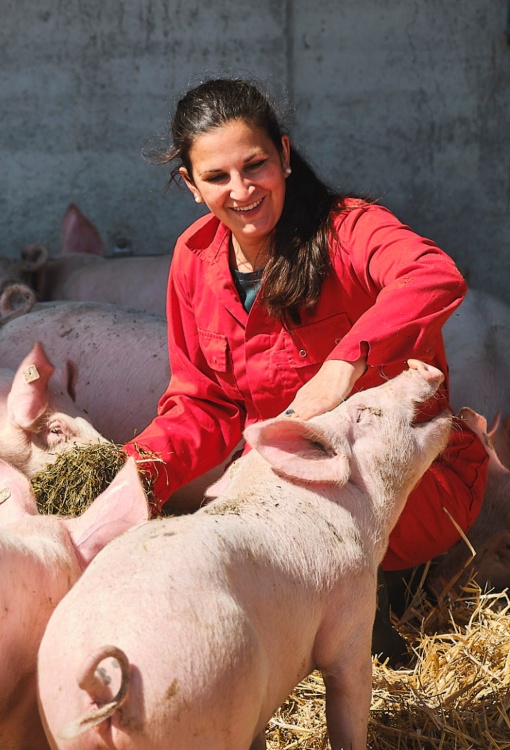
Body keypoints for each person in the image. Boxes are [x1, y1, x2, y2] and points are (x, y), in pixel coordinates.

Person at [123, 78, 489, 643]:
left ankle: (399, 593)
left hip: (398, 487)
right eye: (217, 177)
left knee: (365, 647)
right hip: (288, 484)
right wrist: (136, 473)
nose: (242, 190)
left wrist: (344, 366)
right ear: (190, 184)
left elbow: (433, 274)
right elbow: (204, 402)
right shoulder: (193, 259)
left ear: (285, 156)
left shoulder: (349, 228)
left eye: (256, 165)